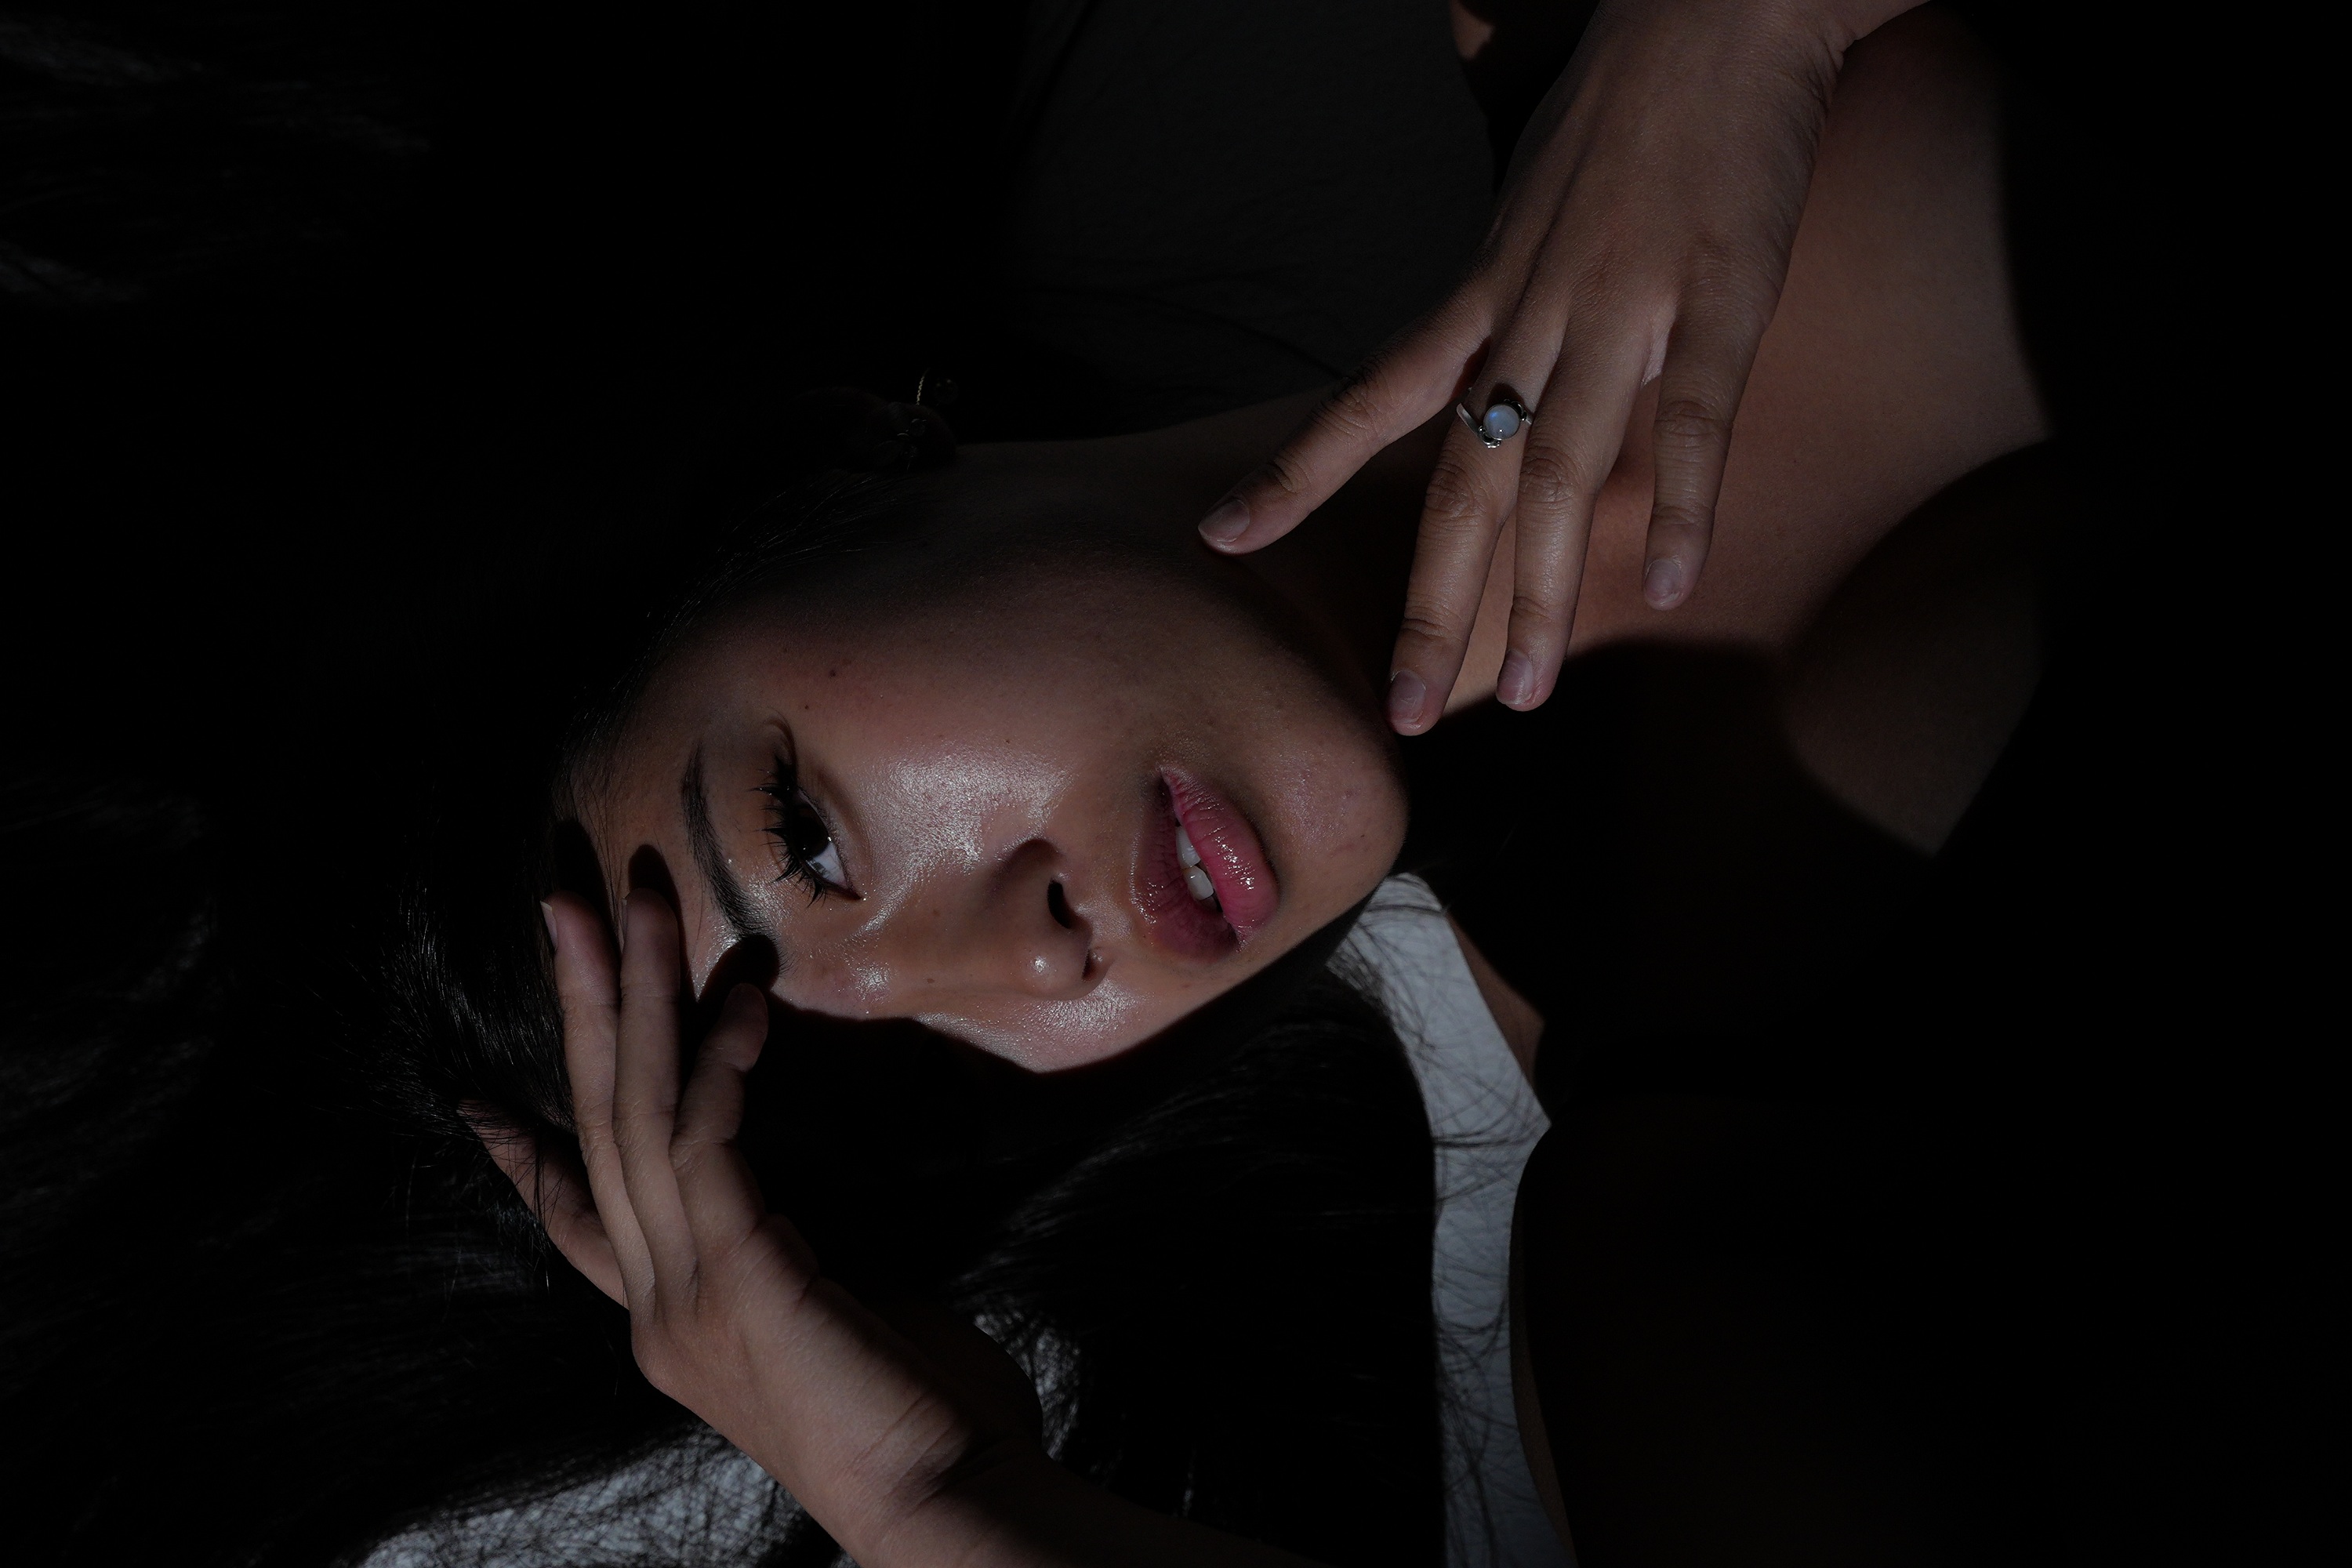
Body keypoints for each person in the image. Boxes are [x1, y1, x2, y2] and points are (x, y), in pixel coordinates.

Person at [457, 5, 2045, 1563]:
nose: (1030, 963)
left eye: (804, 842)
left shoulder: (1572, 31)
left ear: (830, 464)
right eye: (934, 1096)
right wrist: (931, 1498)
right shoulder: (1695, 1258)